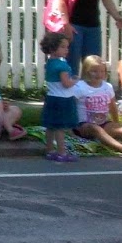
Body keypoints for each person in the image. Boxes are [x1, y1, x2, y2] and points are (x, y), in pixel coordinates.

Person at [74, 55, 122, 159]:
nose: (98, 74)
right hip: (83, 125)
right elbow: (70, 107)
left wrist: (116, 123)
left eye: (101, 71)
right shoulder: (79, 87)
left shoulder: (107, 87)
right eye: (94, 71)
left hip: (103, 123)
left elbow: (112, 107)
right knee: (95, 128)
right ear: (86, 71)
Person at [40, 31, 79, 162]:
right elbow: (66, 84)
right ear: (52, 48)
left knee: (51, 126)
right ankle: (62, 152)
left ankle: (50, 150)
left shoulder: (50, 63)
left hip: (51, 97)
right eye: (63, 47)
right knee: (60, 127)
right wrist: (75, 80)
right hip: (63, 99)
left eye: (67, 47)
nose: (66, 50)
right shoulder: (62, 66)